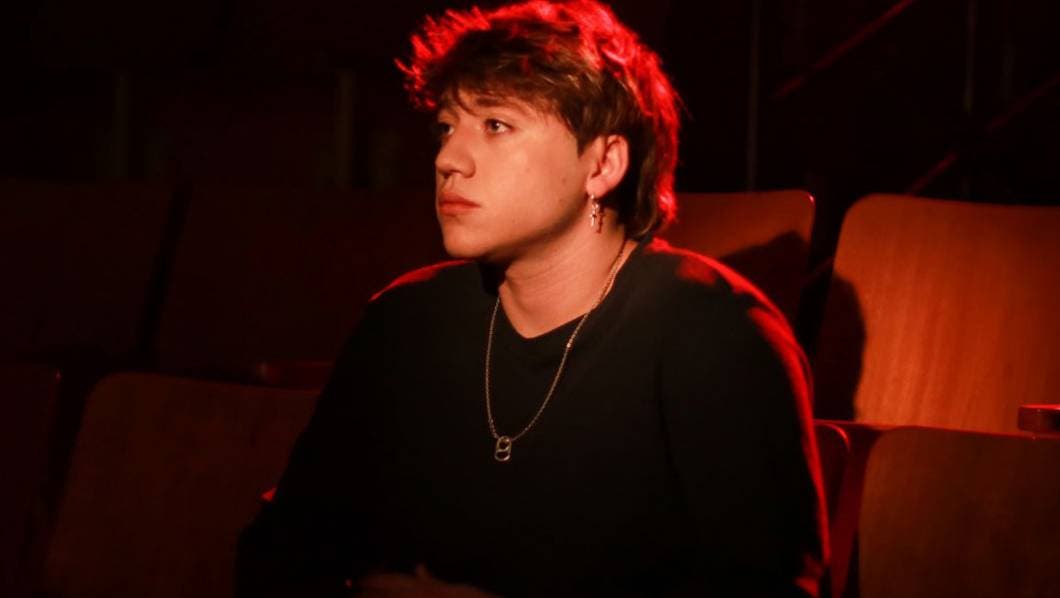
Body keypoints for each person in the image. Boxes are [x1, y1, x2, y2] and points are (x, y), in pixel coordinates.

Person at [236, 1, 827, 596]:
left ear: (604, 164)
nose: (447, 160)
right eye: (446, 128)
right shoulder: (405, 320)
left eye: (496, 125)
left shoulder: (716, 334)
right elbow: (281, 552)